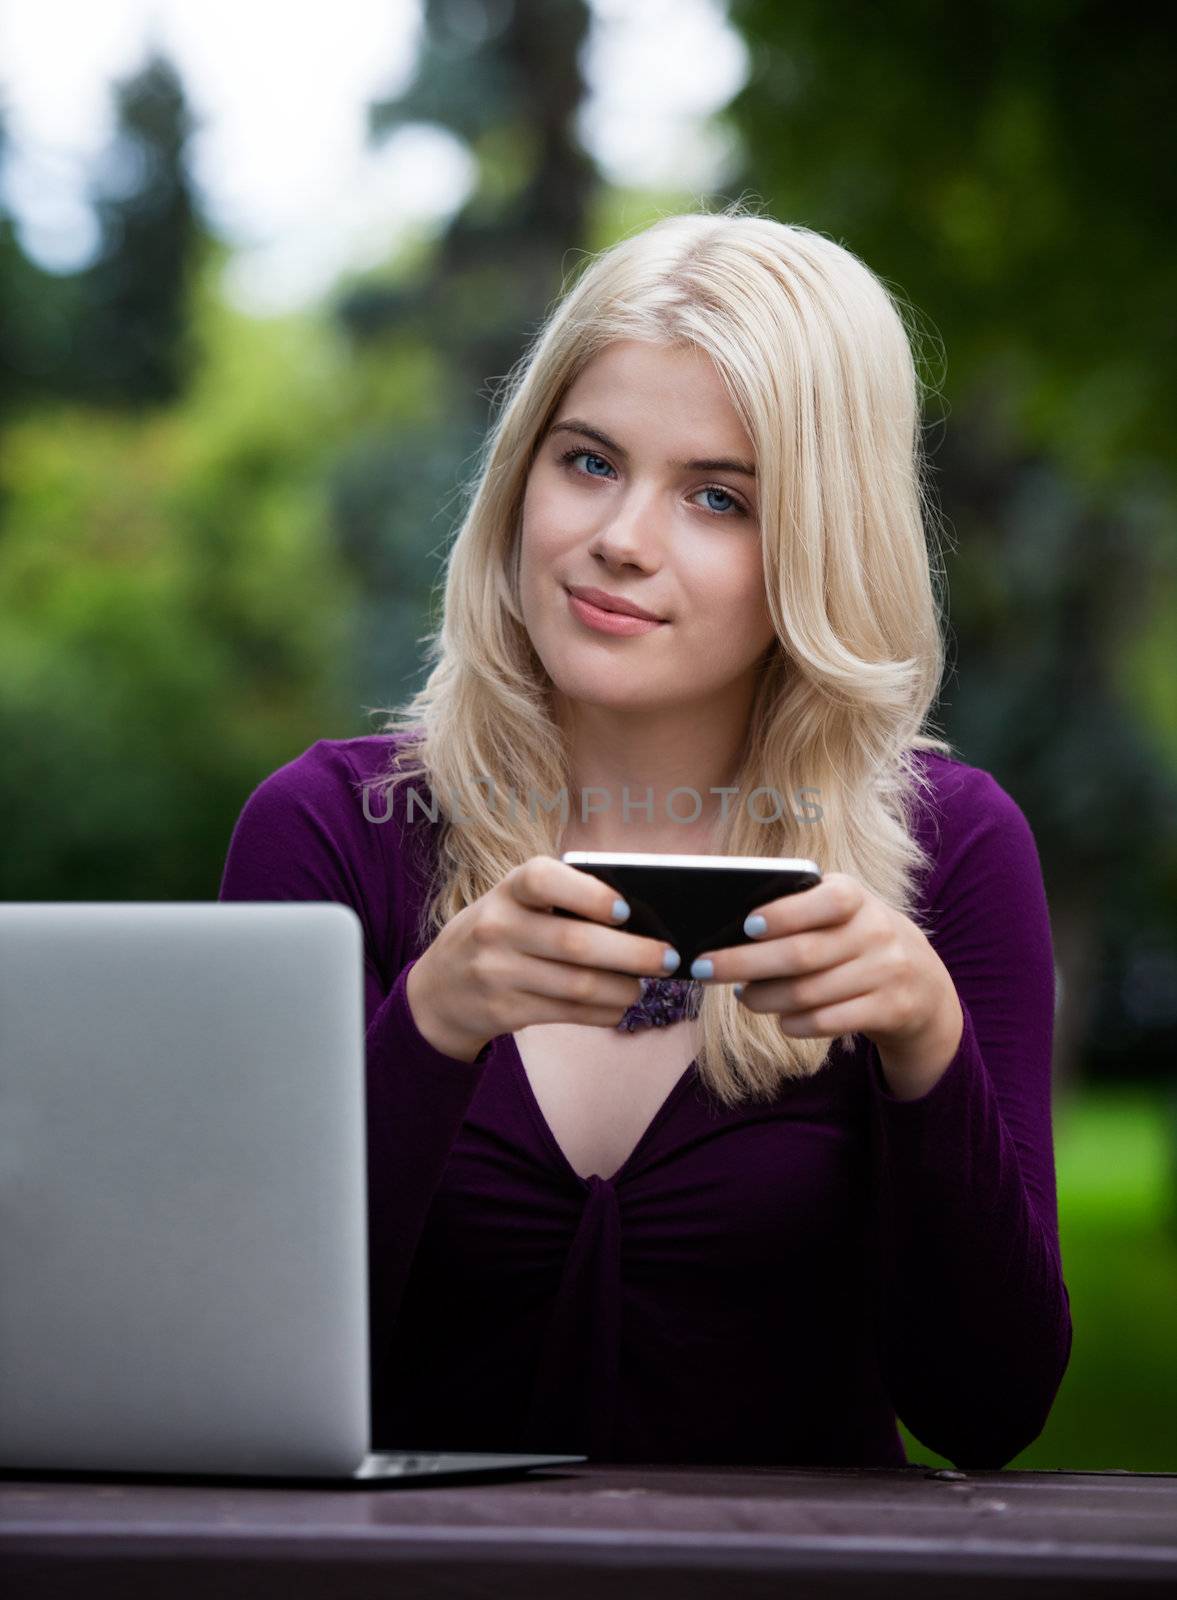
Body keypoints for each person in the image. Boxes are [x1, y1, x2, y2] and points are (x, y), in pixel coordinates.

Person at [218, 202, 1072, 1469]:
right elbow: (232, 1360)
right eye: (589, 461)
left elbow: (985, 1412)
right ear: (520, 475)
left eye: (717, 497)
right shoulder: (334, 833)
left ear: (819, 546)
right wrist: (431, 1028)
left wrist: (924, 1044)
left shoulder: (952, 851)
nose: (619, 538)